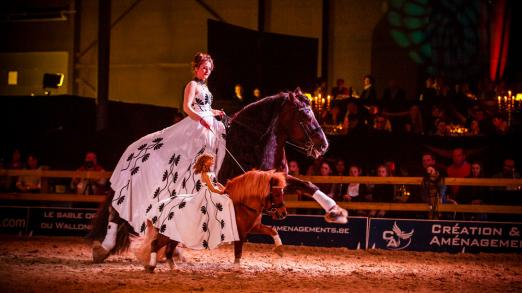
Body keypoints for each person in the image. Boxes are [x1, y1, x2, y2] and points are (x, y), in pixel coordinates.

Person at [93, 52, 226, 261]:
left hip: (206, 126)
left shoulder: (206, 88)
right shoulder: (192, 85)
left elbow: (205, 107)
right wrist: (201, 119)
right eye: (203, 67)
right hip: (194, 126)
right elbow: (187, 108)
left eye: (209, 68)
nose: (207, 71)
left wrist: (213, 112)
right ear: (196, 68)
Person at [146, 153, 238, 250]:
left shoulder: (211, 172)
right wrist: (222, 192)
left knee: (227, 201)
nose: (212, 161)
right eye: (210, 160)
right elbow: (211, 188)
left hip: (213, 192)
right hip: (208, 193)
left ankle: (220, 227)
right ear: (205, 162)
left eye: (212, 160)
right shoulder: (205, 174)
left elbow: (216, 183)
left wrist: (225, 189)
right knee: (221, 203)